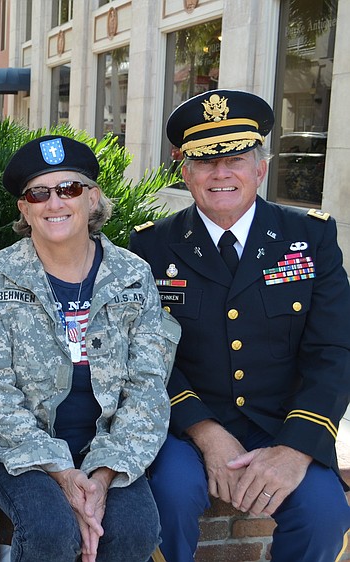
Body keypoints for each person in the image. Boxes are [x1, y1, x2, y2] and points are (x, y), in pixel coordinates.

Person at [129, 89, 350, 562]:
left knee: (325, 513)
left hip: (282, 423)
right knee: (169, 496)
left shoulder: (310, 238)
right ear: (185, 172)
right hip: (185, 429)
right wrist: (205, 430)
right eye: (205, 161)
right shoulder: (152, 248)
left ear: (260, 168)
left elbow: (333, 351)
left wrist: (295, 449)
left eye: (236, 158)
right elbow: (143, 355)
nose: (221, 173)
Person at [0, 135, 181, 562]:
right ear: (24, 208)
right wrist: (61, 472)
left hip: (109, 443)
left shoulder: (132, 275)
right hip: (15, 446)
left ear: (93, 198)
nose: (53, 203)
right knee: (51, 531)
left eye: (69, 189)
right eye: (38, 193)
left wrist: (103, 473)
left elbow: (148, 387)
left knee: (135, 530)